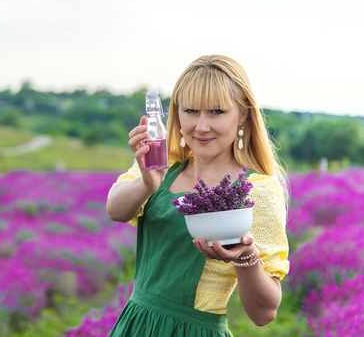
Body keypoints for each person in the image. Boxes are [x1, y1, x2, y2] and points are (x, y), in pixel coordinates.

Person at [106, 55, 290, 336]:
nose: (201, 126)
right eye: (191, 111)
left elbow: (264, 313)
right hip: (136, 325)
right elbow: (115, 211)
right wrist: (147, 183)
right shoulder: (162, 163)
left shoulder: (257, 189)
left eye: (216, 112)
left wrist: (245, 257)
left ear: (242, 114)